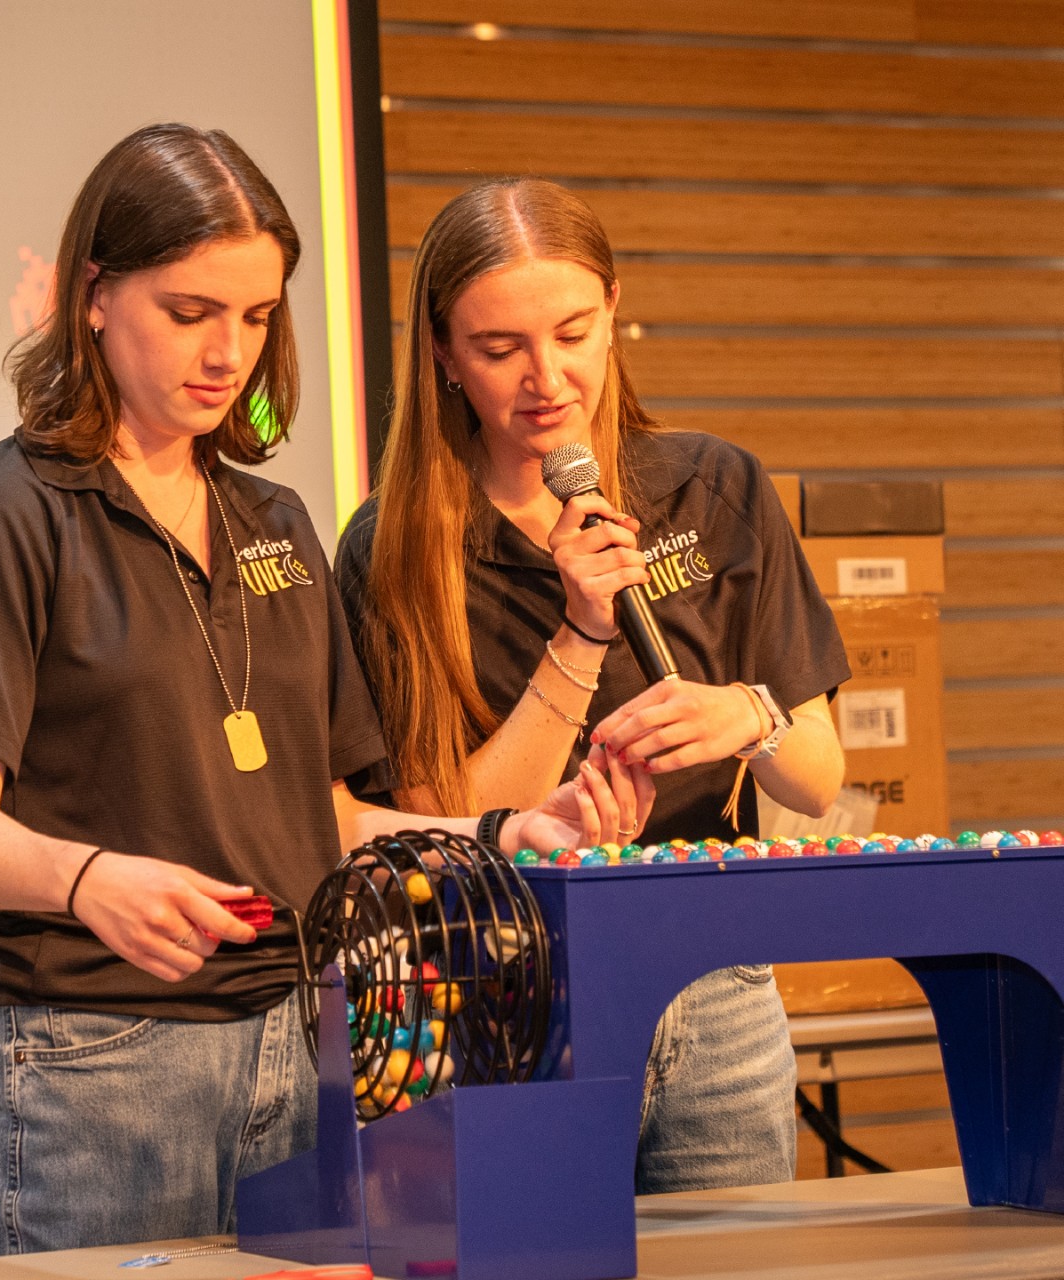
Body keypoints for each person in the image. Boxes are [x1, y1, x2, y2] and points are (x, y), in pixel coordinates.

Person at [0, 129, 642, 1257]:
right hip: (92, 1057)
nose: (226, 352)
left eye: (258, 315)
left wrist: (498, 828)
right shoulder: (13, 511)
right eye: (189, 313)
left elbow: (321, 820)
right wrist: (86, 879)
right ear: (92, 294)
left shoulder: (271, 520)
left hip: (292, 1043)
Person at [335, 176, 851, 1194]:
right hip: (507, 993)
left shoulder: (713, 487)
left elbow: (817, 774)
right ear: (440, 351)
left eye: (572, 331)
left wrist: (742, 714)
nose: (546, 377)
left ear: (613, 307)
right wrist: (576, 632)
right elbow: (443, 819)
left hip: (716, 981)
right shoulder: (391, 551)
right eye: (498, 350)